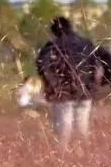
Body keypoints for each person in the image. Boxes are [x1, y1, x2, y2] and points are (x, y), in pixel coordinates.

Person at [36, 16, 105, 144]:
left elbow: (42, 66)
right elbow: (98, 67)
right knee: (82, 129)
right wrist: (95, 87)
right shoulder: (86, 43)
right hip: (85, 92)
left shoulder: (51, 46)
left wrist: (52, 86)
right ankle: (84, 153)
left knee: (63, 131)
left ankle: (64, 155)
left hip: (62, 94)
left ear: (54, 31)